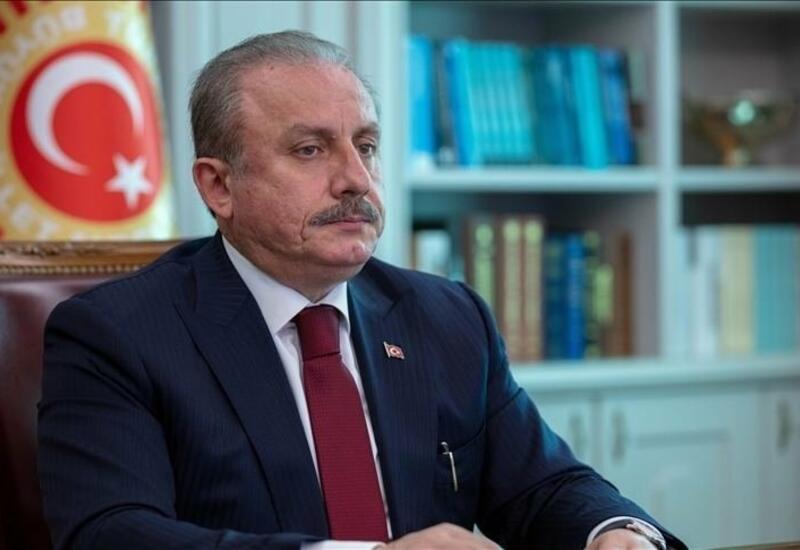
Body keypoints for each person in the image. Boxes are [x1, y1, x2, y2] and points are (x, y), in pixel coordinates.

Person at [38, 31, 686, 550]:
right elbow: (111, 533)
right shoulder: (117, 335)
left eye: (367, 146)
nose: (356, 179)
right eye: (310, 150)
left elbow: (543, 486)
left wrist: (614, 532)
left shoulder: (446, 316)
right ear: (219, 186)